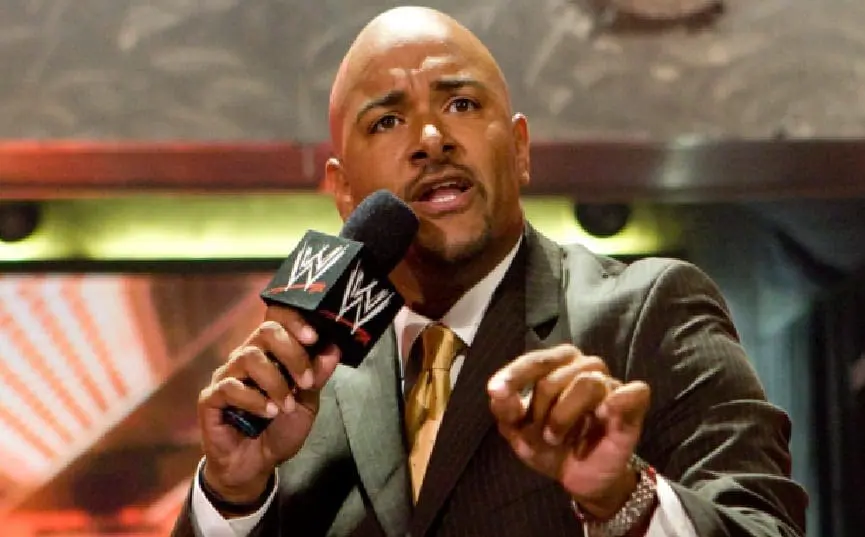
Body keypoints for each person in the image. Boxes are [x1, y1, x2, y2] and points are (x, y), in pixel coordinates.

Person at [171, 6, 808, 536]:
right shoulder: (304, 381)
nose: (431, 138)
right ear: (343, 192)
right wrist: (231, 497)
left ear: (521, 149)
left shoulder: (650, 311)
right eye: (387, 120)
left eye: (462, 103)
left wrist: (623, 498)